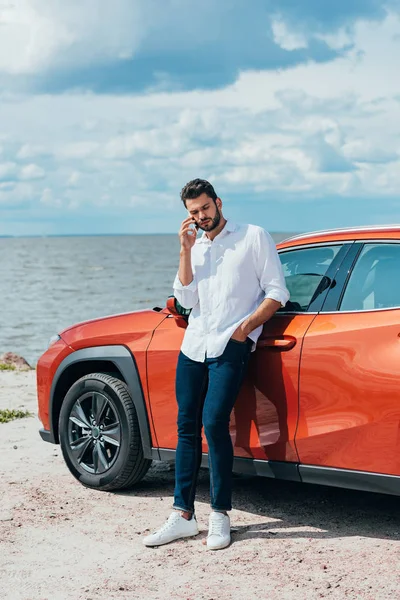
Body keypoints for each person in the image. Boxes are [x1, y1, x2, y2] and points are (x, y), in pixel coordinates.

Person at [143, 179, 289, 550]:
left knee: (214, 424)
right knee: (186, 426)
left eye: (205, 209)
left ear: (218, 203)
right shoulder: (195, 245)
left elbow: (277, 292)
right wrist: (184, 250)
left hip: (230, 345)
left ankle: (220, 515)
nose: (201, 217)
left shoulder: (253, 237)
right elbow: (185, 296)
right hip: (194, 345)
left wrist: (244, 329)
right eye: (193, 213)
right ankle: (182, 516)